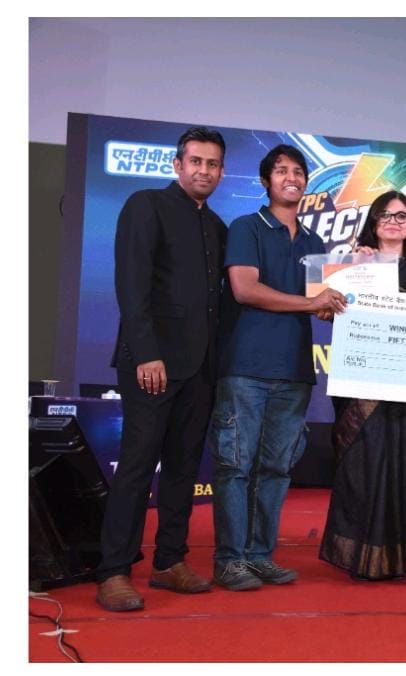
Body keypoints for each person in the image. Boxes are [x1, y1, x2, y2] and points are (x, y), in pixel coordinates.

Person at [96, 127, 227, 612]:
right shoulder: (146, 205)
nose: (204, 171)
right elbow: (131, 284)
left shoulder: (217, 226)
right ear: (178, 165)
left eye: (212, 164)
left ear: (220, 171)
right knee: (136, 467)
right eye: (196, 161)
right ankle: (113, 571)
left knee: (182, 469)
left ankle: (169, 561)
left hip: (201, 369)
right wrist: (147, 352)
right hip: (152, 364)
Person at [211, 145, 347, 591]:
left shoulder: (314, 243)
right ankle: (230, 560)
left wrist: (350, 291)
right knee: (235, 466)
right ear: (266, 181)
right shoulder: (246, 227)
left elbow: (320, 305)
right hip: (246, 368)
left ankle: (259, 555)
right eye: (282, 171)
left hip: (294, 370)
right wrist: (311, 303)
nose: (292, 178)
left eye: (298, 171)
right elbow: (245, 289)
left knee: (276, 468)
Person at [319, 190, 406, 580]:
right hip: (359, 383)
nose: (394, 222)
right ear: (373, 222)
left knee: (403, 468)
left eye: (401, 216)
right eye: (385, 215)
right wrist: (353, 270)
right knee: (360, 466)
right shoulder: (351, 265)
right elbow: (326, 313)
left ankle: (394, 558)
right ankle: (353, 555)